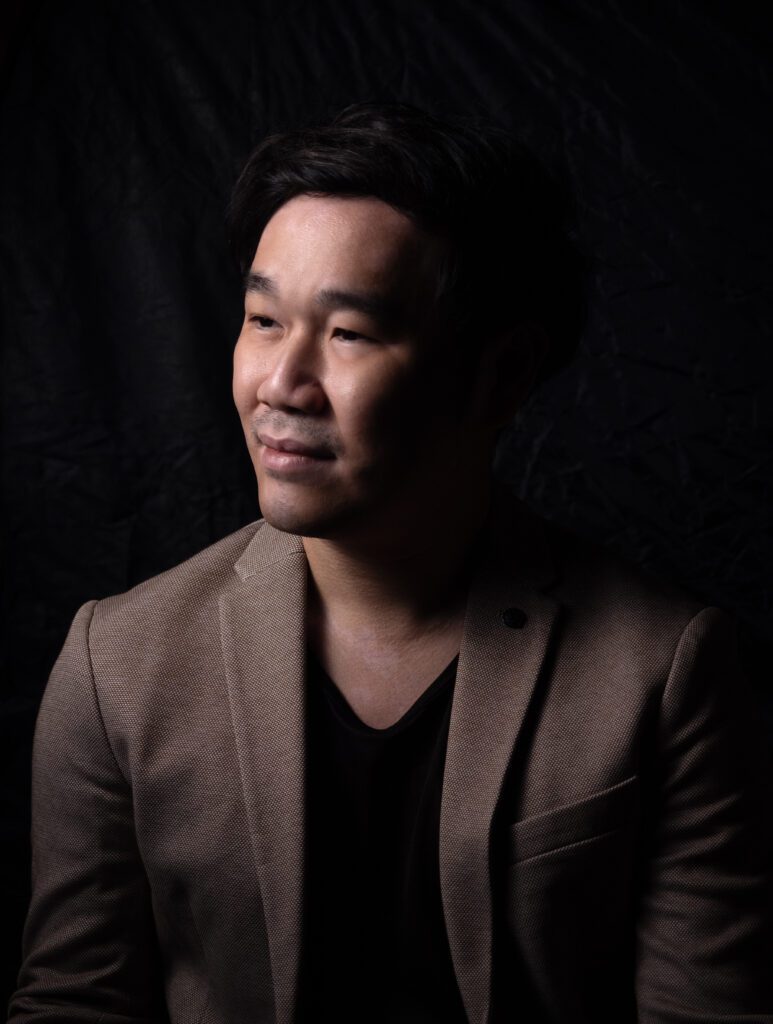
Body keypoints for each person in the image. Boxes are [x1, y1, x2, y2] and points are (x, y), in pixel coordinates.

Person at [7, 101, 773, 1024]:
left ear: (501, 373)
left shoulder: (665, 670)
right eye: (262, 319)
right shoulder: (117, 665)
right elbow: (76, 1003)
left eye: (348, 333)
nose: (281, 385)